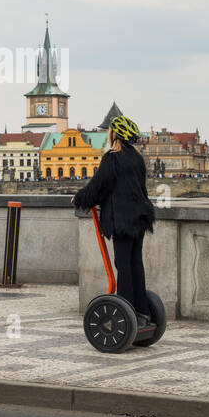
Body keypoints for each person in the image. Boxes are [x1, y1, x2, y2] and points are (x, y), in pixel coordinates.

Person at [71, 115, 157, 324]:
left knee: (123, 264)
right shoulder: (137, 158)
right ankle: (142, 311)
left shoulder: (112, 157)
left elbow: (98, 186)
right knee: (136, 263)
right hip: (140, 216)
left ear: (114, 134)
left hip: (123, 219)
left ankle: (128, 311)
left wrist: (79, 198)